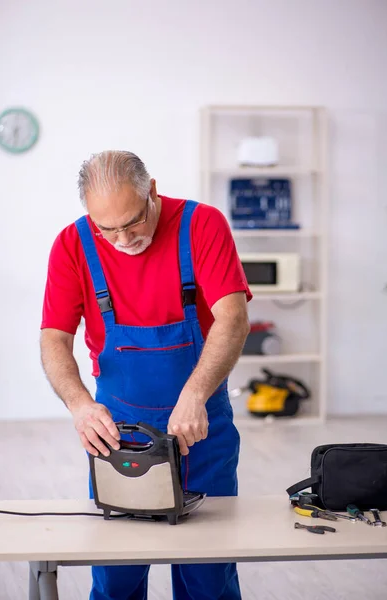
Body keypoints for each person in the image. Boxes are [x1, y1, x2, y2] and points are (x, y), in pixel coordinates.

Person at [40, 150, 252, 600]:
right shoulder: (72, 244)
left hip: (202, 429)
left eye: (133, 222)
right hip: (118, 435)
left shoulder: (201, 225)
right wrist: (80, 405)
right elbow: (54, 339)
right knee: (117, 576)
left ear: (152, 191)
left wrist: (194, 395)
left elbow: (232, 319)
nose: (122, 239)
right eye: (107, 229)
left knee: (208, 577)